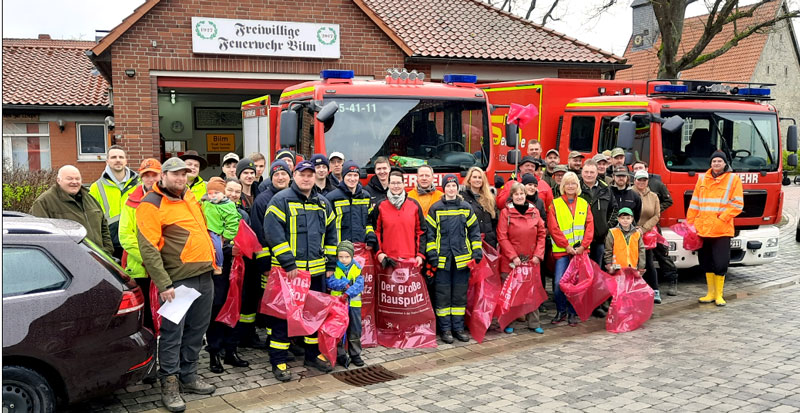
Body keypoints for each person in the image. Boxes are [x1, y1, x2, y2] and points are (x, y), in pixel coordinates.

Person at [136, 157, 216, 412]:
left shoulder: (189, 195)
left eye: (184, 174)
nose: (180, 179)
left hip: (204, 275)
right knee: (172, 334)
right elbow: (148, 249)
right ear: (164, 175)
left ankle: (189, 375)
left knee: (196, 331)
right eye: (175, 174)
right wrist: (163, 283)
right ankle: (169, 383)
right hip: (177, 281)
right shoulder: (151, 203)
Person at [263, 160, 339, 380]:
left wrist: (331, 265)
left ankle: (312, 355)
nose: (306, 178)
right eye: (302, 174)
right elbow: (273, 234)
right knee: (282, 318)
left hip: (316, 272)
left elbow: (332, 235)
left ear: (315, 177)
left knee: (312, 316)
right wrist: (288, 263)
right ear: (294, 176)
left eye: (310, 175)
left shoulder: (323, 203)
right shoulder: (281, 200)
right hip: (288, 275)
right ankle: (278, 361)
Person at [117, 158, 161, 383]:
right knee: (145, 322)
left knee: (163, 318)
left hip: (163, 269)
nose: (151, 179)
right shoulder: (130, 201)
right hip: (141, 269)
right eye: (147, 175)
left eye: (154, 175)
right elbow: (125, 236)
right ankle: (148, 365)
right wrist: (149, 259)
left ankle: (164, 361)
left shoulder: (167, 199)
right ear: (141, 177)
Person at [425, 174, 482, 344]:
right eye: (448, 186)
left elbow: (474, 232)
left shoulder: (466, 207)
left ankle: (458, 328)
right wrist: (433, 255)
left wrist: (476, 251)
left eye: (454, 186)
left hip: (462, 260)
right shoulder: (435, 209)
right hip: (442, 261)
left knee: (459, 297)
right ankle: (445, 330)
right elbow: (430, 235)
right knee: (443, 296)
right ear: (444, 188)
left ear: (458, 188)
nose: (451, 189)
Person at [205, 177, 250, 374]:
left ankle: (231, 350)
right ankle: (214, 352)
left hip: (238, 268)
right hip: (217, 270)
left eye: (237, 192)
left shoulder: (242, 215)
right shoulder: (208, 210)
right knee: (217, 307)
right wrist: (226, 247)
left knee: (236, 307)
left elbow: (248, 239)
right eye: (230, 190)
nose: (233, 194)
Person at [687, 151, 743, 307]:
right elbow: (695, 203)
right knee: (705, 262)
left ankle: (719, 294)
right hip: (702, 228)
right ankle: (710, 293)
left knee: (720, 263)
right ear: (710, 163)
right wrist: (690, 224)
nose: (716, 163)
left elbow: (737, 204)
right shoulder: (702, 179)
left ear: (725, 163)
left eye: (719, 161)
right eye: (714, 161)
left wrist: (722, 218)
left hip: (721, 229)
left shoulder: (733, 179)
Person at [497, 182, 547, 334]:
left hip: (532, 260)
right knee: (511, 292)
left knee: (532, 292)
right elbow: (502, 236)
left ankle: (534, 323)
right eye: (516, 194)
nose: (519, 197)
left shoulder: (535, 211)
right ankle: (508, 322)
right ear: (511, 196)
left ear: (526, 195)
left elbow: (541, 234)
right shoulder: (505, 213)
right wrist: (513, 257)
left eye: (522, 194)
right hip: (511, 261)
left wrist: (538, 255)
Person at [31, 165, 113, 255]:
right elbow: (41, 238)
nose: (74, 182)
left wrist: (107, 251)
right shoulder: (44, 202)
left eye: (77, 179)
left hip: (98, 258)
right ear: (58, 180)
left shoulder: (89, 198)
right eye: (69, 179)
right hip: (68, 262)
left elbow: (104, 227)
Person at [548, 171, 594, 327]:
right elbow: (553, 229)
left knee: (577, 284)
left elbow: (589, 227)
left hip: (580, 252)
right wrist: (566, 246)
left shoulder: (584, 204)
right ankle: (561, 310)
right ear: (562, 186)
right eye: (567, 183)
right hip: (563, 252)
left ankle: (572, 313)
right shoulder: (555, 204)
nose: (570, 186)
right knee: (559, 283)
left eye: (573, 183)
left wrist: (583, 246)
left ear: (577, 186)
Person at [631, 160, 677, 295]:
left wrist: (655, 211)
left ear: (647, 169)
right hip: (634, 230)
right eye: (636, 168)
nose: (642, 181)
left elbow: (668, 201)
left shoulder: (656, 185)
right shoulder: (630, 192)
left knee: (660, 254)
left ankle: (671, 280)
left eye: (641, 167)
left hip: (652, 228)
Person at [89, 145, 139, 258]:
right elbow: (92, 218)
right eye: (113, 157)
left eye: (121, 157)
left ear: (126, 161)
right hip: (111, 243)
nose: (118, 160)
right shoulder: (96, 187)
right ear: (107, 161)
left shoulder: (139, 184)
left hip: (136, 241)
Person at [372, 170, 426, 270]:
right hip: (387, 261)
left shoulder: (414, 205)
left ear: (404, 184)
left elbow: (421, 232)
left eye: (398, 183)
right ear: (388, 184)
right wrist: (379, 253)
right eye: (392, 183)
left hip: (411, 261)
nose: (395, 186)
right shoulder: (380, 206)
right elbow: (376, 232)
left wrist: (420, 255)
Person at [326, 240, 366, 367]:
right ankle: (340, 354)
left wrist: (349, 292)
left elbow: (360, 284)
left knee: (355, 330)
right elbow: (330, 282)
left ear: (352, 256)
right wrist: (343, 284)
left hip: (353, 305)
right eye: (341, 257)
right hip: (337, 306)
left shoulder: (357, 268)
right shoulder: (334, 269)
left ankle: (355, 354)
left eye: (347, 257)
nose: (343, 259)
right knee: (339, 330)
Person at [326, 161, 378, 248]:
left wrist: (370, 236)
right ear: (343, 176)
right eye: (349, 175)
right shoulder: (332, 198)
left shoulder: (365, 196)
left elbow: (369, 221)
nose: (352, 179)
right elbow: (327, 227)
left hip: (361, 248)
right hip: (340, 250)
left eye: (355, 175)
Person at [579, 159, 618, 268]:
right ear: (582, 172)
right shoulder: (575, 188)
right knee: (581, 270)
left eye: (592, 172)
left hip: (599, 238)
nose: (589, 175)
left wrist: (607, 226)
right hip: (580, 238)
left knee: (596, 268)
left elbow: (614, 209)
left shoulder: (605, 189)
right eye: (586, 172)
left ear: (597, 173)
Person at [632, 170, 662, 303]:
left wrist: (643, 229)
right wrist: (633, 228)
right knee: (631, 263)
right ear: (634, 180)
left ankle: (654, 290)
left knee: (648, 263)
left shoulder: (654, 196)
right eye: (639, 179)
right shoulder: (629, 193)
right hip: (630, 233)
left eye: (644, 180)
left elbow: (656, 215)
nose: (641, 182)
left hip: (646, 234)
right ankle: (635, 291)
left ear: (647, 181)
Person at [202, 177, 240, 276]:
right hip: (204, 231)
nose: (213, 196)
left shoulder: (228, 206)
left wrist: (225, 237)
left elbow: (232, 223)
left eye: (216, 193)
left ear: (223, 193)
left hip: (215, 231)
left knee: (218, 246)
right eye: (210, 193)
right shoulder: (206, 203)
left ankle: (219, 265)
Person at [460, 167, 498, 248]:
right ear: (469, 180)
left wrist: (493, 237)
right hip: (471, 242)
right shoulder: (462, 198)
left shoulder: (490, 198)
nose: (477, 180)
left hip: (489, 242)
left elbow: (495, 221)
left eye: (480, 177)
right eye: (474, 177)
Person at [603, 207, 645, 275]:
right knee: (618, 285)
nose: (625, 220)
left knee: (631, 285)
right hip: (617, 268)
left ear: (632, 219)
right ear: (618, 219)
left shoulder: (637, 233)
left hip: (632, 267)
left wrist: (641, 267)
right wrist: (608, 264)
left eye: (628, 218)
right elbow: (608, 250)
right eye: (622, 218)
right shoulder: (612, 232)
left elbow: (641, 251)